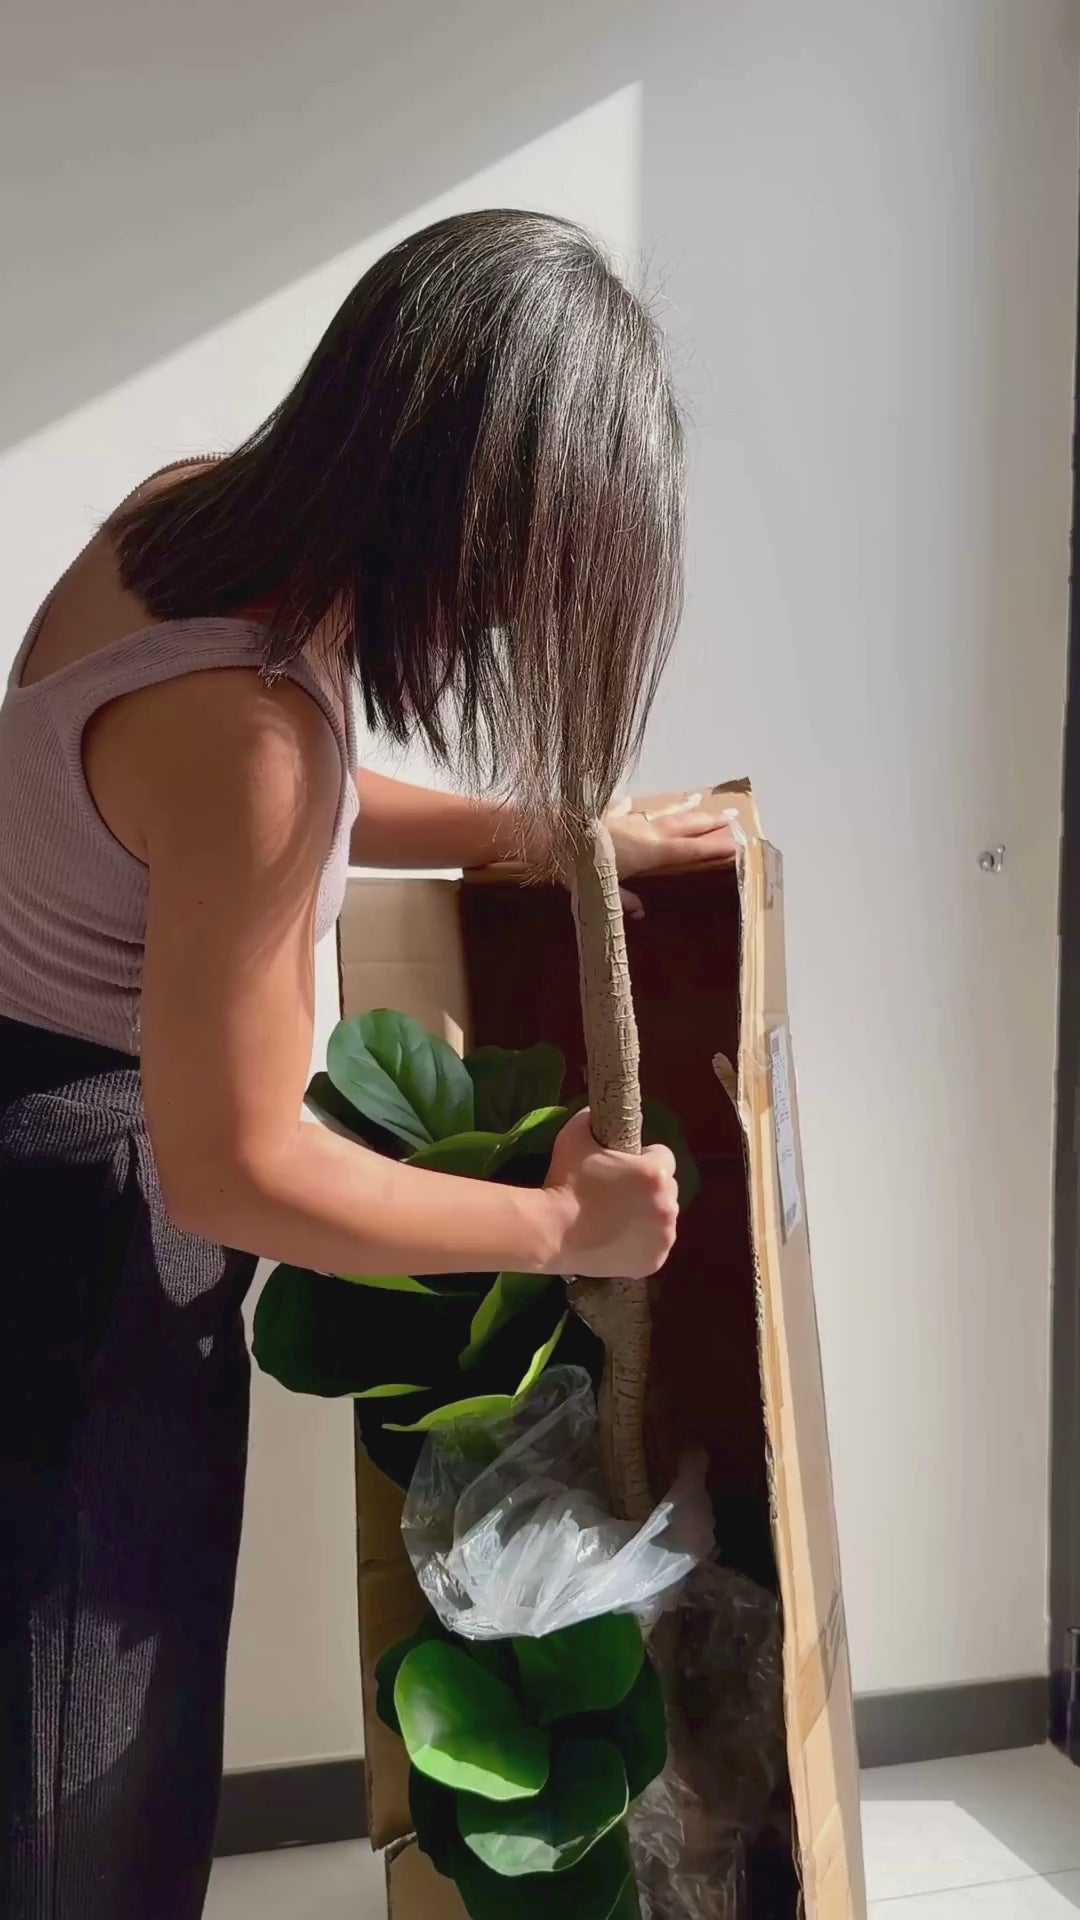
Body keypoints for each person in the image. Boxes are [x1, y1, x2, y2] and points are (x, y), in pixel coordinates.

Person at [0, 209, 734, 1918]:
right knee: (81, 1773)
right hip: (85, 1221)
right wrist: (563, 1229)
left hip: (33, 1132)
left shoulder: (191, 526)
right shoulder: (250, 731)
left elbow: (265, 808)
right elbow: (236, 1167)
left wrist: (538, 829)